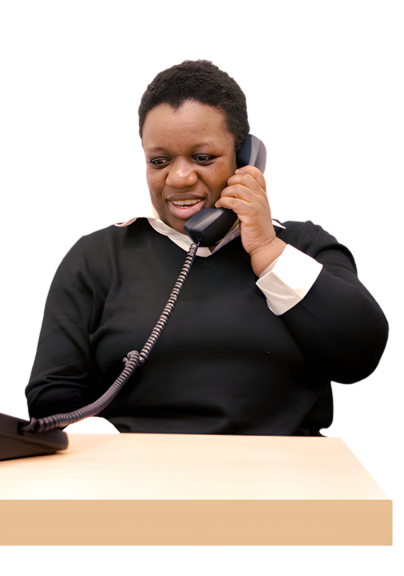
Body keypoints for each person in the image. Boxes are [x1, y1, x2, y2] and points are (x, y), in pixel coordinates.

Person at [23, 59, 390, 436]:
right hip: (138, 466)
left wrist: (268, 250)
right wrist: (112, 446)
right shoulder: (96, 257)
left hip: (278, 468)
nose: (180, 177)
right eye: (159, 161)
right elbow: (51, 396)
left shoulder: (304, 244)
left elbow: (360, 356)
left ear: (245, 159)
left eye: (203, 158)